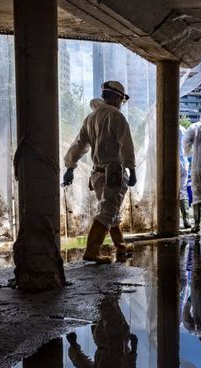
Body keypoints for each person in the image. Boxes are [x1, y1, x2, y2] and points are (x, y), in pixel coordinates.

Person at [63, 81, 136, 263]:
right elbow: (126, 146)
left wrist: (70, 167)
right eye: (121, 99)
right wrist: (132, 169)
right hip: (113, 173)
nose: (121, 103)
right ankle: (91, 251)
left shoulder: (90, 118)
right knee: (107, 212)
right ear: (117, 97)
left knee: (111, 211)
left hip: (97, 174)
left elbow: (78, 145)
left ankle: (120, 246)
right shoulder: (116, 117)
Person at [179, 125, 192, 229]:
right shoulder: (183, 129)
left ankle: (168, 220)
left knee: (167, 190)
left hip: (170, 160)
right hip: (184, 161)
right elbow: (189, 147)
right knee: (182, 190)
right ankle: (186, 220)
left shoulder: (163, 127)